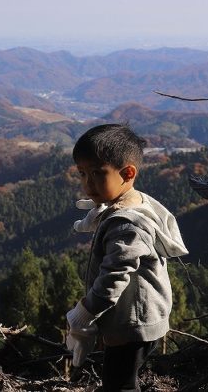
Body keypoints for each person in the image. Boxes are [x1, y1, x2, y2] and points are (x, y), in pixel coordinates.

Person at [65, 124, 188, 392]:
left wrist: (84, 313)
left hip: (132, 321)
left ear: (128, 173)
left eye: (98, 174)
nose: (87, 183)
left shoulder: (127, 225)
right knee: (120, 376)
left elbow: (114, 277)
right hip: (137, 315)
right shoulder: (135, 201)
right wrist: (97, 217)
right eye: (82, 174)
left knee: (120, 383)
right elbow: (117, 212)